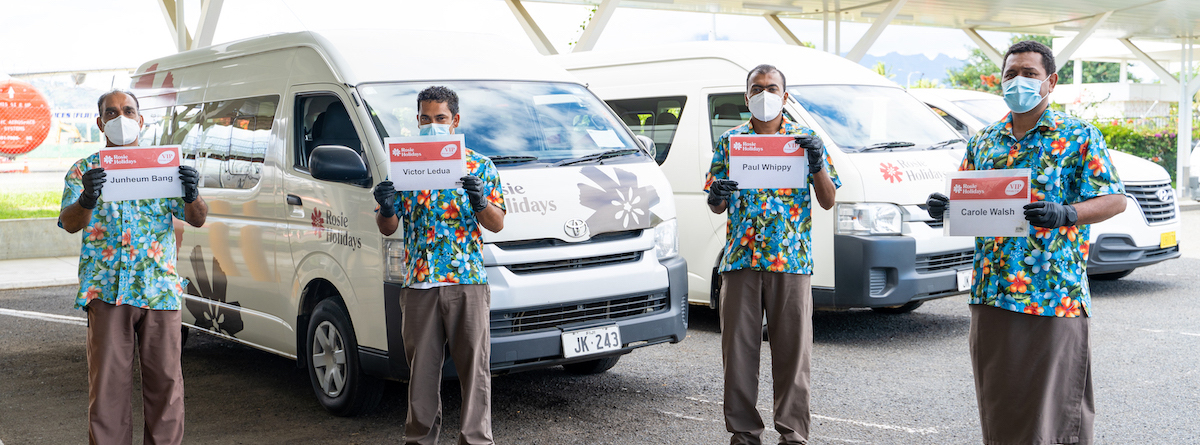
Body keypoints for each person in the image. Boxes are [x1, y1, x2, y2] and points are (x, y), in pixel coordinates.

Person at [925, 40, 1125, 445]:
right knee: (999, 403)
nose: (1019, 81)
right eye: (1011, 74)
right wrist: (946, 207)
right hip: (993, 291)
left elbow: (1115, 198)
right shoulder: (984, 140)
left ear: (1050, 82)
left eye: (1029, 74)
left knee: (1053, 408)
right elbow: (971, 202)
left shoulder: (1078, 135)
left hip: (1053, 293)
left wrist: (1067, 213)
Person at [58, 89, 207, 445]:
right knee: (107, 391)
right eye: (111, 113)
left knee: (166, 389)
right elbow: (68, 221)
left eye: (128, 111)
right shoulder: (84, 170)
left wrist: (192, 193)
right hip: (107, 292)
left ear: (141, 120)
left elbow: (197, 218)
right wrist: (86, 198)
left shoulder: (164, 167)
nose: (120, 118)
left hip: (157, 290)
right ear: (100, 123)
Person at [705, 64, 839, 445]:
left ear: (785, 95)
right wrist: (717, 195)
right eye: (757, 88)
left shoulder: (807, 139)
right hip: (740, 262)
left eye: (772, 87)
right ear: (747, 96)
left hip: (791, 261)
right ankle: (744, 433)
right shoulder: (731, 141)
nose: (765, 94)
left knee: (794, 355)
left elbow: (828, 201)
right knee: (739, 355)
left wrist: (816, 166)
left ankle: (793, 434)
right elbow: (715, 203)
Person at [372, 86, 505, 445]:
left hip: (467, 281)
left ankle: (476, 440)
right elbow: (388, 227)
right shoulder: (403, 166)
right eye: (426, 119)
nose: (433, 125)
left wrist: (479, 201)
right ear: (417, 121)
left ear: (455, 121)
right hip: (419, 284)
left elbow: (497, 223)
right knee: (421, 376)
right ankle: (419, 440)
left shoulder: (480, 166)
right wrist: (385, 207)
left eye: (441, 118)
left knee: (474, 372)